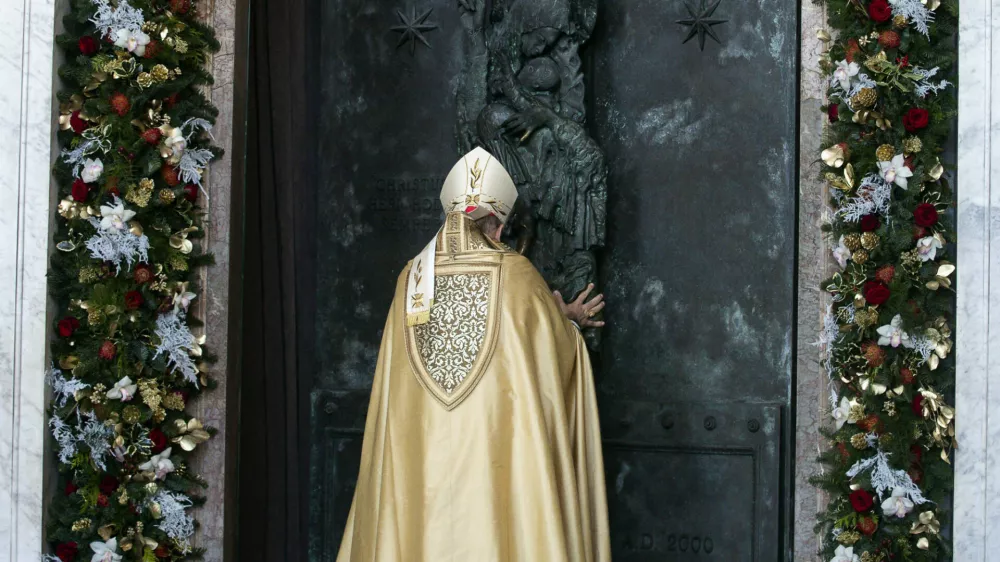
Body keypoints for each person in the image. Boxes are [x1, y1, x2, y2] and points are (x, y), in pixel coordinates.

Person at [336, 147, 611, 562]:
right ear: (497, 226)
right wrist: (569, 323)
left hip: (420, 471)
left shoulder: (411, 278)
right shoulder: (517, 275)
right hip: (494, 463)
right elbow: (550, 356)